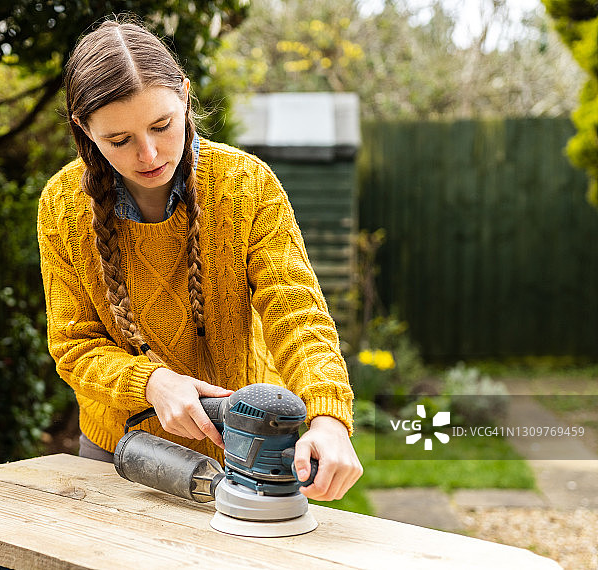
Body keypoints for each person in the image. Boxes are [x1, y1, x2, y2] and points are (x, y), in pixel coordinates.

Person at [37, 17, 362, 501]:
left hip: (250, 445)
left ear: (185, 96)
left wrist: (328, 416)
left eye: (162, 126)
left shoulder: (246, 185)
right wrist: (152, 383)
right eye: (119, 141)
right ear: (85, 128)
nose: (148, 154)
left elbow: (298, 314)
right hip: (118, 454)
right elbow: (73, 343)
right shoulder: (61, 206)